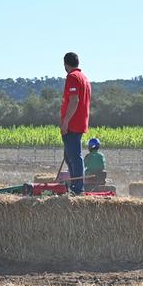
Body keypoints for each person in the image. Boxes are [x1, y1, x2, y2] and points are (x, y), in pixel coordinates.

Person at [59, 52, 92, 194]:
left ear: (66, 64)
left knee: (74, 156)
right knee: (69, 156)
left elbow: (74, 100)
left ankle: (77, 188)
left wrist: (65, 122)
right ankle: (74, 185)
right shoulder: (85, 78)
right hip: (80, 122)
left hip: (73, 123)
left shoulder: (72, 77)